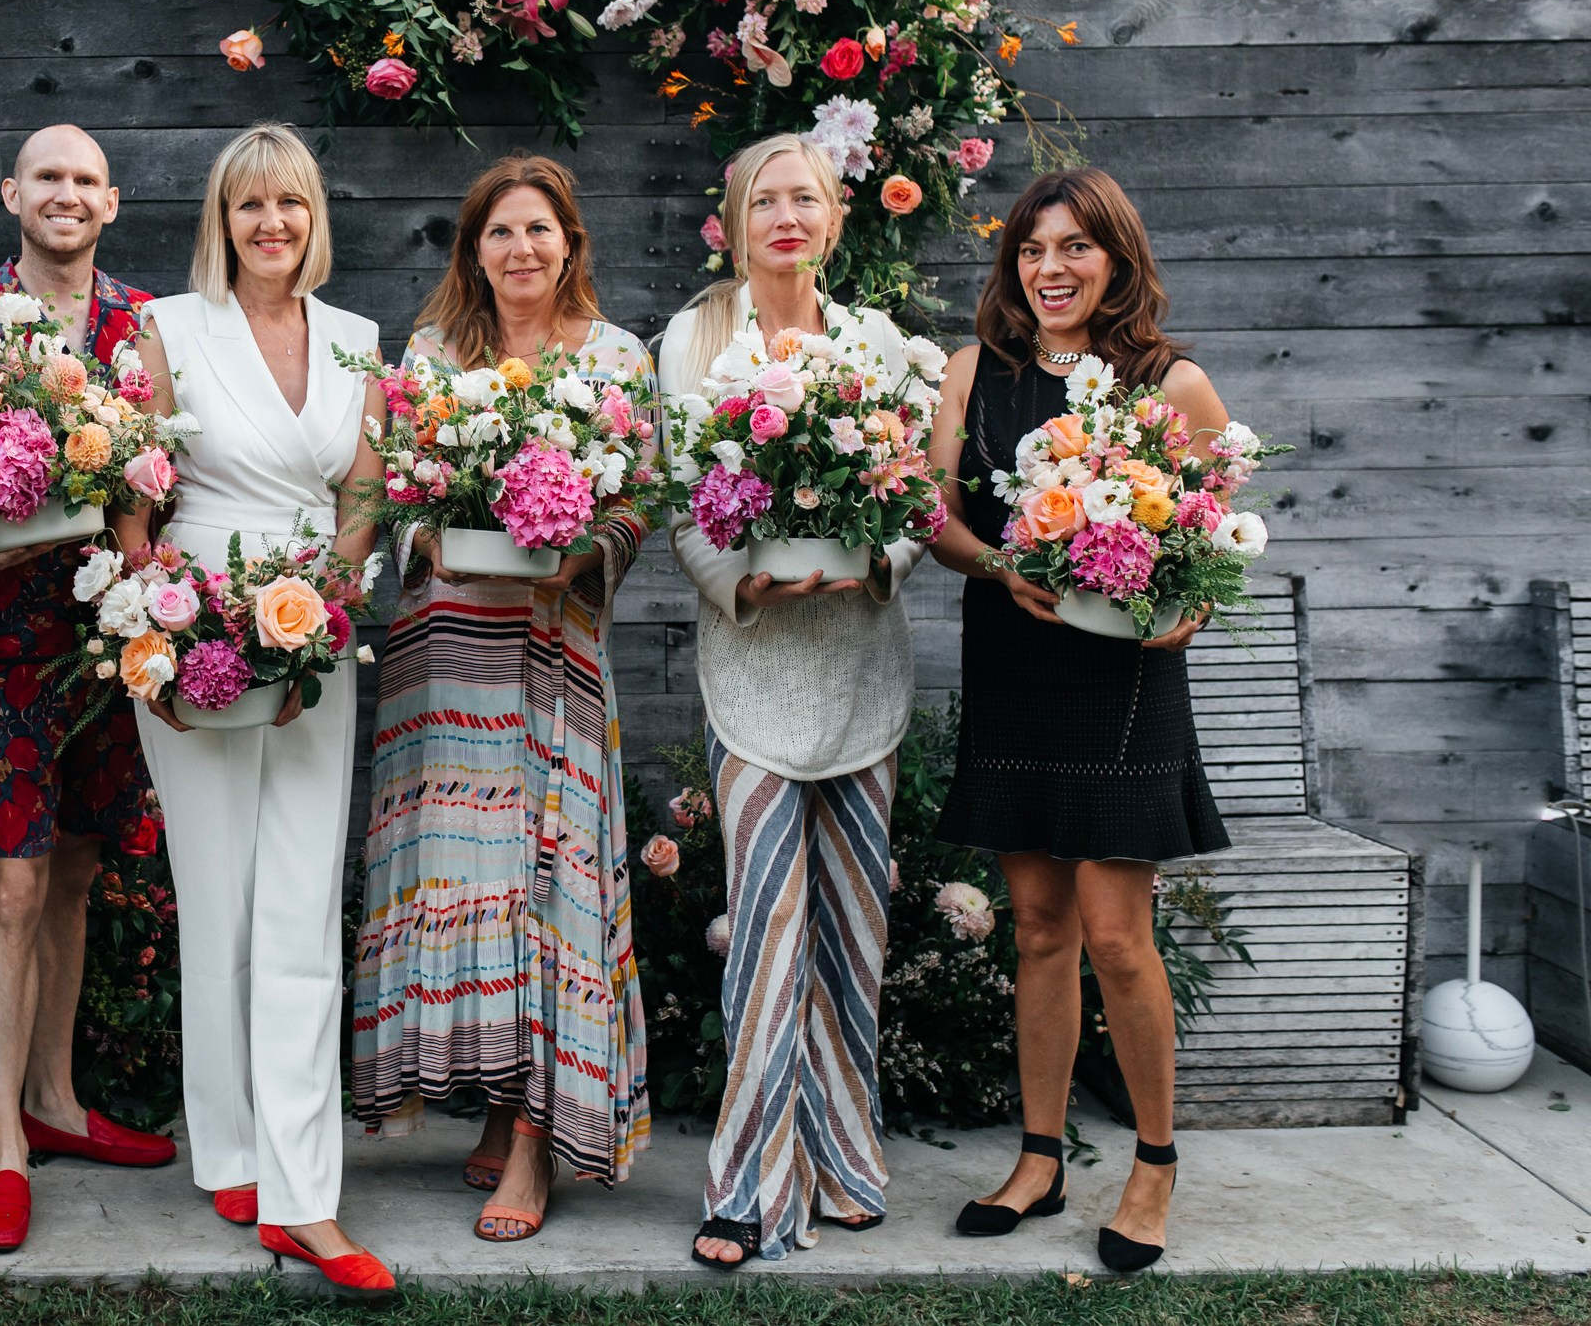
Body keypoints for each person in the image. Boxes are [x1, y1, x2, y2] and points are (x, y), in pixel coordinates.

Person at [925, 165, 1232, 1275]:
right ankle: (1041, 1156)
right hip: (1013, 659)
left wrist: (1186, 613)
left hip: (1121, 680)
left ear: (1115, 257)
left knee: (1114, 933)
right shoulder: (976, 372)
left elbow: (1214, 544)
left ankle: (1152, 1163)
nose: (1049, 270)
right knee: (1041, 928)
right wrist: (997, 562)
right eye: (1030, 250)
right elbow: (934, 514)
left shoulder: (1171, 380)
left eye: (1073, 248)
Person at [113, 122, 396, 1294]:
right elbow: (132, 483)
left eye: (288, 205)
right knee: (216, 895)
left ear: (312, 216)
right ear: (220, 223)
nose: (270, 226)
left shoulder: (358, 340)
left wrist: (324, 611)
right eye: (248, 208)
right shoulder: (168, 330)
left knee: (295, 903)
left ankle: (299, 1193)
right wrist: (151, 628)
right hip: (191, 630)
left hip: (310, 636)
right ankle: (227, 1144)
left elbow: (366, 490)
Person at [347, 154, 651, 1244]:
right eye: (498, 233)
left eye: (539, 230)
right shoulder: (429, 355)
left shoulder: (619, 359)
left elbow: (642, 498)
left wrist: (584, 553)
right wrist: (433, 527)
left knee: (543, 881)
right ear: (471, 250)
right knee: (464, 875)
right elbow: (390, 489)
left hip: (551, 649)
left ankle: (535, 1138)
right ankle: (494, 1098)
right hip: (443, 655)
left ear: (570, 240)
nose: (520, 250)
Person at [657, 135, 932, 1270]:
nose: (783, 215)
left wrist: (880, 563)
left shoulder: (877, 342)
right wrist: (740, 582)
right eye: (762, 198)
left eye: (803, 198)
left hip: (861, 664)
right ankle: (748, 1186)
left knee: (853, 929)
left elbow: (914, 492)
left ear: (834, 219)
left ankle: (846, 1158)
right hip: (756, 664)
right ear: (731, 219)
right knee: (765, 924)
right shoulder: (694, 337)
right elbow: (683, 501)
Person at [0, 124, 176, 1255]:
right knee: (10, 889)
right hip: (6, 645)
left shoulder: (142, 326)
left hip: (109, 646)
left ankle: (58, 1105)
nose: (66, 195)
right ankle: (3, 1146)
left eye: (85, 181)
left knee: (72, 877)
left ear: (111, 202)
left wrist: (147, 586)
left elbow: (157, 482)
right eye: (46, 177)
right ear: (11, 191)